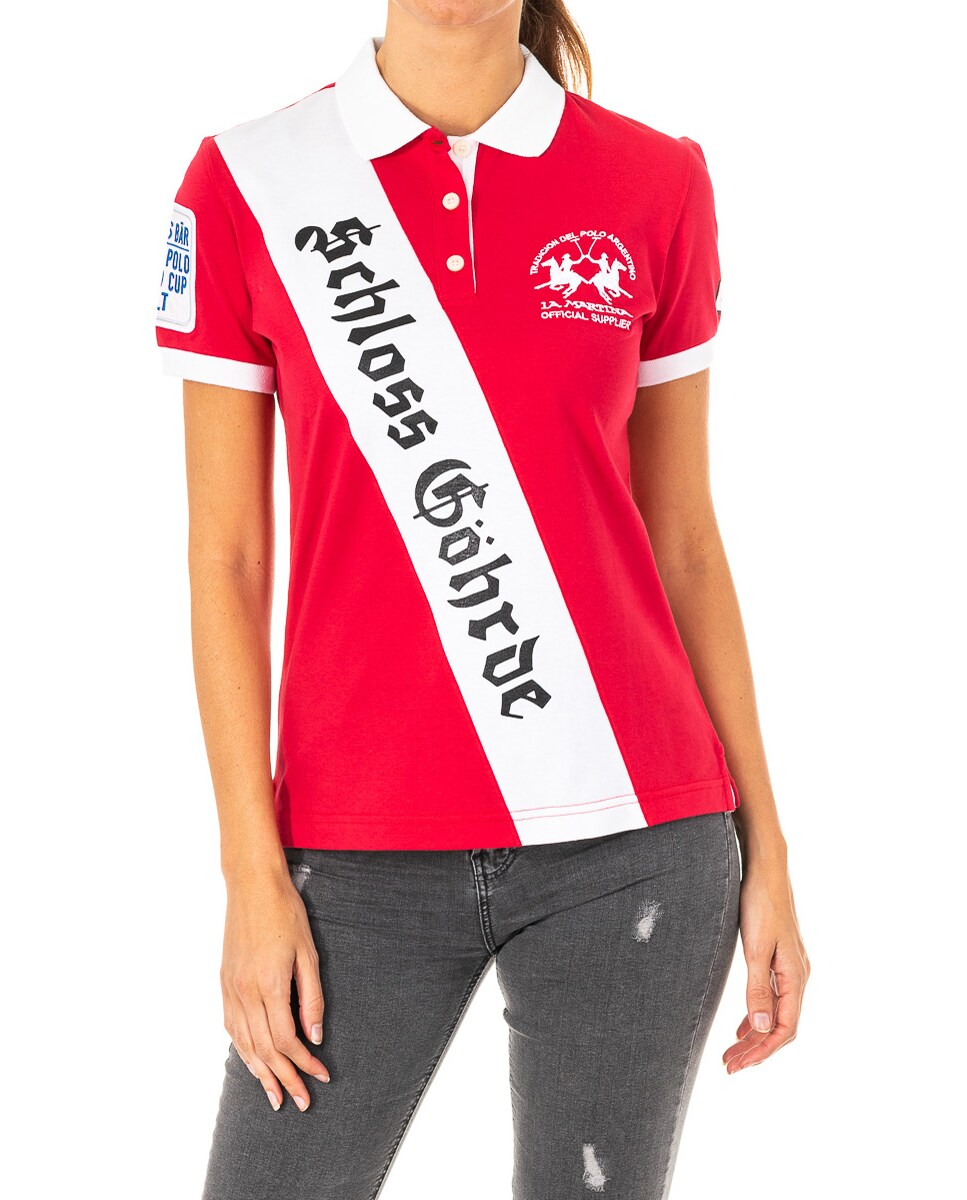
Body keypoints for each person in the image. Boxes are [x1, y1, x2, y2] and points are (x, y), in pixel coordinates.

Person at [155, 2, 810, 1196]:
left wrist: (766, 849)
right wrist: (251, 874)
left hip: (633, 840)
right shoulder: (249, 180)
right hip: (352, 848)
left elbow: (684, 541)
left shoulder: (654, 180)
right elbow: (227, 558)